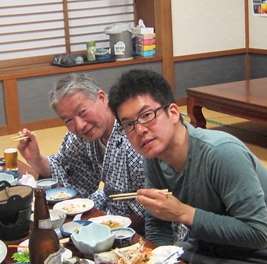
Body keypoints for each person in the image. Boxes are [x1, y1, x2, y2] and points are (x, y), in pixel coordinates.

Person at [108, 69, 267, 264]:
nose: (139, 130)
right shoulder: (154, 157)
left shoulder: (221, 153)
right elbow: (158, 224)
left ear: (172, 112)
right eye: (128, 125)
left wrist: (183, 213)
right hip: (207, 250)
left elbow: (257, 233)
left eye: (147, 115)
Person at [17, 73, 185, 238]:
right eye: (68, 120)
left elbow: (147, 211)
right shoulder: (80, 137)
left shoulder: (134, 136)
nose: (79, 125)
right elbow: (65, 170)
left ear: (103, 99)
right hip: (105, 218)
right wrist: (36, 159)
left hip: (145, 231)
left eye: (82, 112)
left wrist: (103, 232)